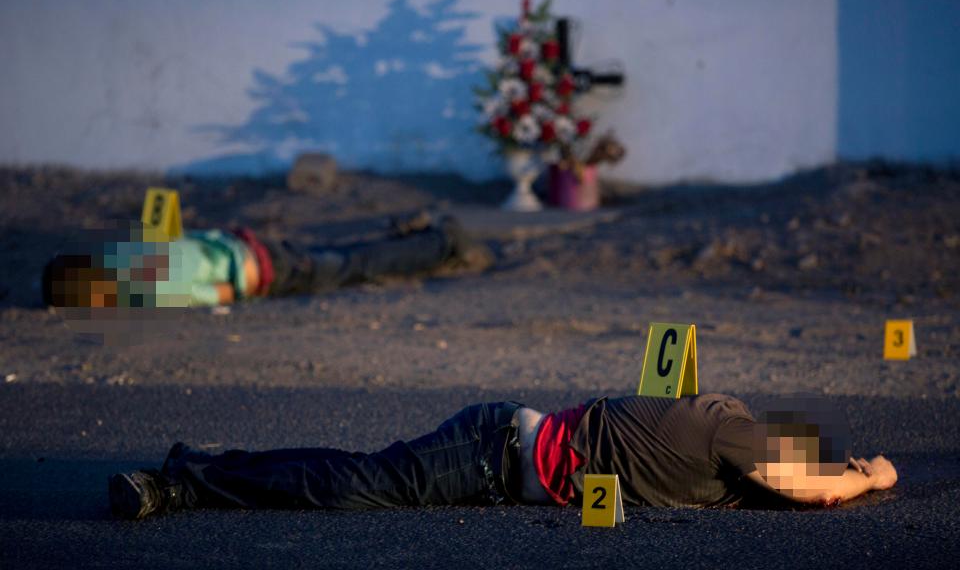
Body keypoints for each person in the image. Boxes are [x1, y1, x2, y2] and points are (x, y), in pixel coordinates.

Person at [108, 393, 898, 519]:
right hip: (491, 450)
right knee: (351, 486)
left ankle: (203, 467)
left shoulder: (724, 441)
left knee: (352, 474)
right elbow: (811, 486)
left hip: (500, 450)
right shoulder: (727, 426)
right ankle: (183, 482)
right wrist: (872, 474)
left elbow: (794, 476)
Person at [42, 213, 491, 308]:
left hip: (269, 273)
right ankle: (420, 239)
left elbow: (215, 292)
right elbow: (175, 229)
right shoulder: (128, 249)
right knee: (348, 256)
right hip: (245, 244)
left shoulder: (142, 287)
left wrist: (234, 291)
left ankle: (441, 243)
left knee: (359, 264)